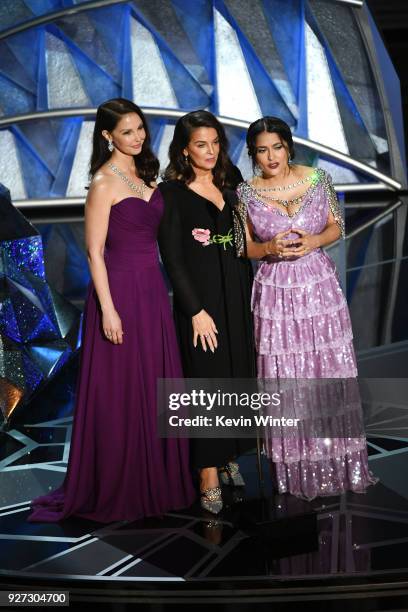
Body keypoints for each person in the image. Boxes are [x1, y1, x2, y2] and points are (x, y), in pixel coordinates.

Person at [28, 98, 195, 523]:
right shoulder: (103, 182)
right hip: (118, 293)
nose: (137, 137)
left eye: (140, 129)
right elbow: (93, 252)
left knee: (153, 384)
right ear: (108, 136)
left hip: (152, 292)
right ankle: (120, 483)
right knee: (121, 392)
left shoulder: (144, 172)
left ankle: (157, 477)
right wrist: (107, 310)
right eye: (127, 131)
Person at [236, 116, 377, 500]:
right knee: (287, 379)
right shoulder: (245, 192)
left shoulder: (318, 179)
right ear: (253, 153)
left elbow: (337, 226)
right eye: (262, 150)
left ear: (288, 146)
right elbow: (241, 245)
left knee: (325, 370)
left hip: (319, 289)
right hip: (276, 293)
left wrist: (314, 241)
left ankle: (336, 463)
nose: (271, 156)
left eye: (276, 147)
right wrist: (268, 249)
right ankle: (293, 473)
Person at [158, 111, 255, 514]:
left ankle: (230, 452)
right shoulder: (171, 193)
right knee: (206, 379)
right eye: (201, 144)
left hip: (236, 292)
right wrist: (194, 309)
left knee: (235, 372)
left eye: (216, 143)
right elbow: (173, 258)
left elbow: (245, 243)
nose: (211, 151)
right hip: (201, 301)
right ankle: (207, 471)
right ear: (185, 148)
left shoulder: (230, 185)